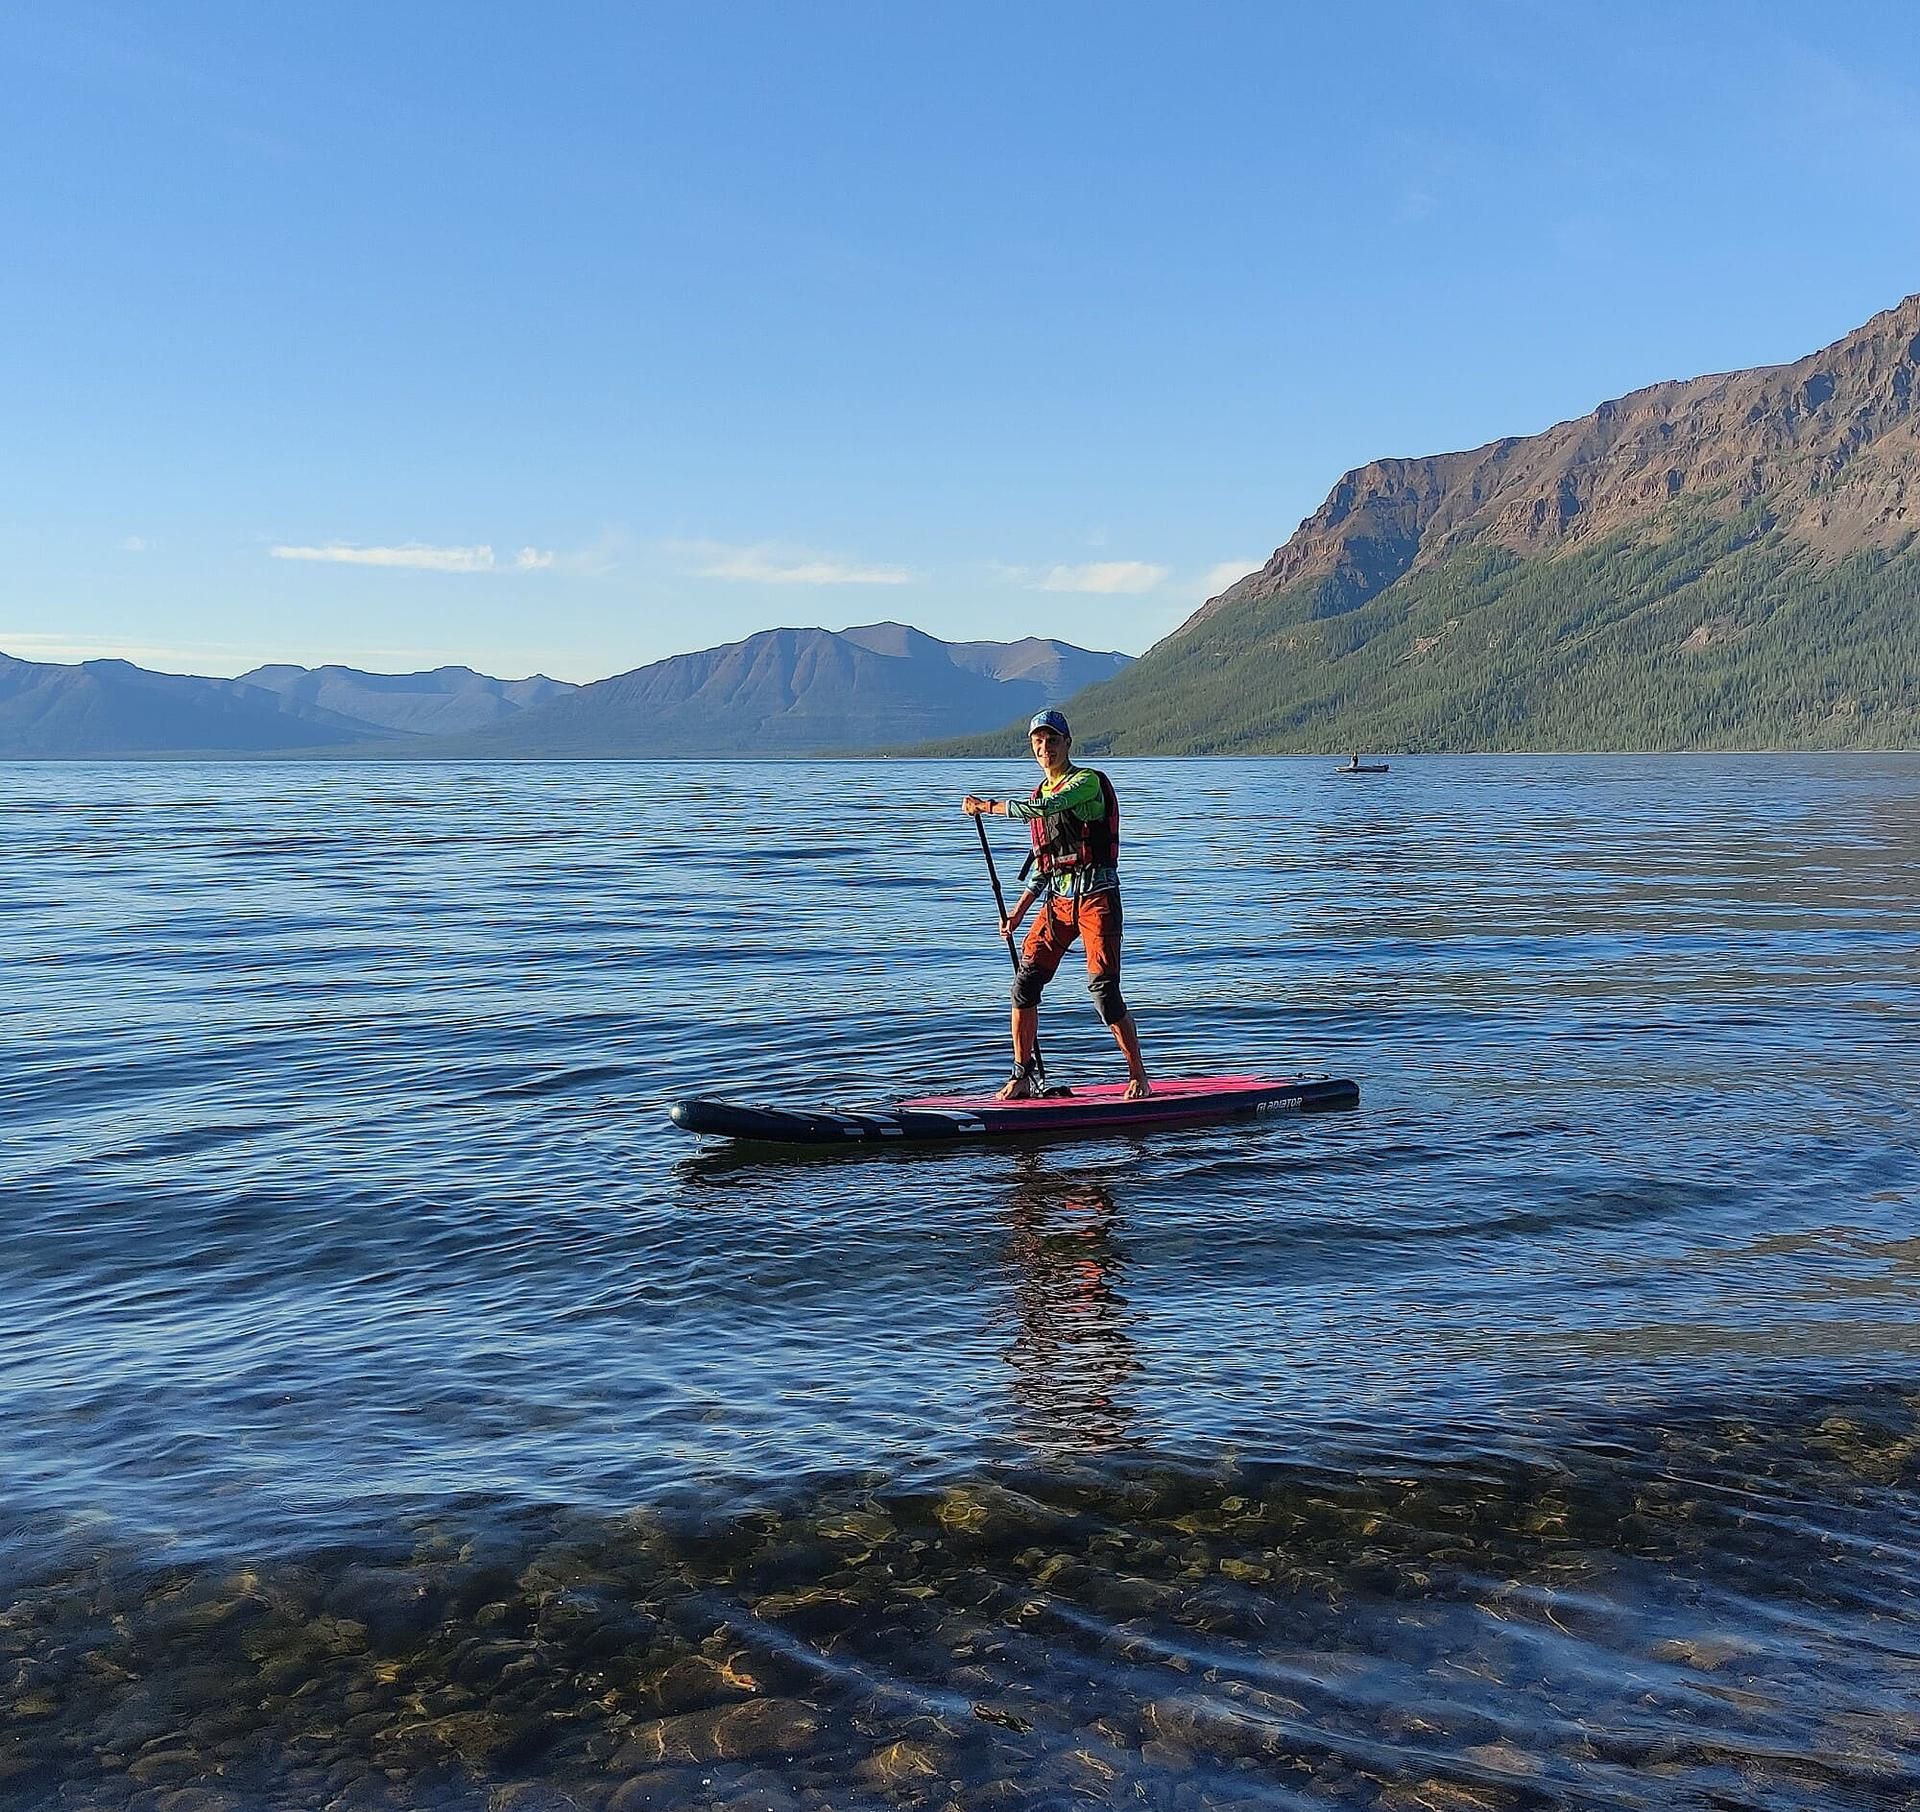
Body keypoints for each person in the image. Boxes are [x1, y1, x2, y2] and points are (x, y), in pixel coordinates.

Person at [963, 710, 1152, 1101]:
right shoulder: (1038, 793)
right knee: (1025, 985)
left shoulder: (1085, 783)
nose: (1044, 748)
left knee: (1104, 993)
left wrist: (988, 807)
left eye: (1052, 741)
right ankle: (1021, 1075)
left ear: (1067, 744)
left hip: (1097, 899)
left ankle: (1139, 1075)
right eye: (1038, 742)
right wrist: (1018, 911)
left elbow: (1047, 810)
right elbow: (1044, 864)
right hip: (1058, 902)